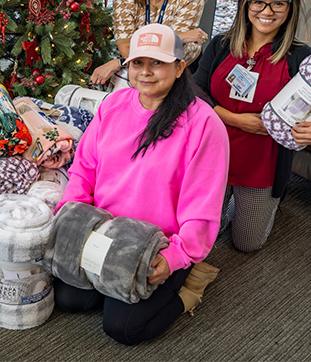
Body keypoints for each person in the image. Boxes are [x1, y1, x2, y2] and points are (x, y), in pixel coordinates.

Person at [55, 23, 229, 345]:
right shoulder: (113, 105)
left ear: (179, 67)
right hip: (105, 231)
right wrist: (71, 215)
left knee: (123, 328)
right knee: (69, 300)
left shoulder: (204, 125)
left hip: (158, 244)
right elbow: (83, 169)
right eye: (138, 62)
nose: (146, 72)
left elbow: (202, 210)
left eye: (158, 62)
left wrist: (175, 257)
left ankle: (192, 282)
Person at [193, 0, 311, 253]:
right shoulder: (221, 43)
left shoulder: (302, 58)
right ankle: (228, 201)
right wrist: (235, 119)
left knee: (247, 243)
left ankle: (266, 203)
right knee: (205, 234)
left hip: (262, 165)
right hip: (212, 158)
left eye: (278, 3)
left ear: (291, 7)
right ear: (245, 3)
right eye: (258, 2)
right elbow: (194, 92)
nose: (267, 11)